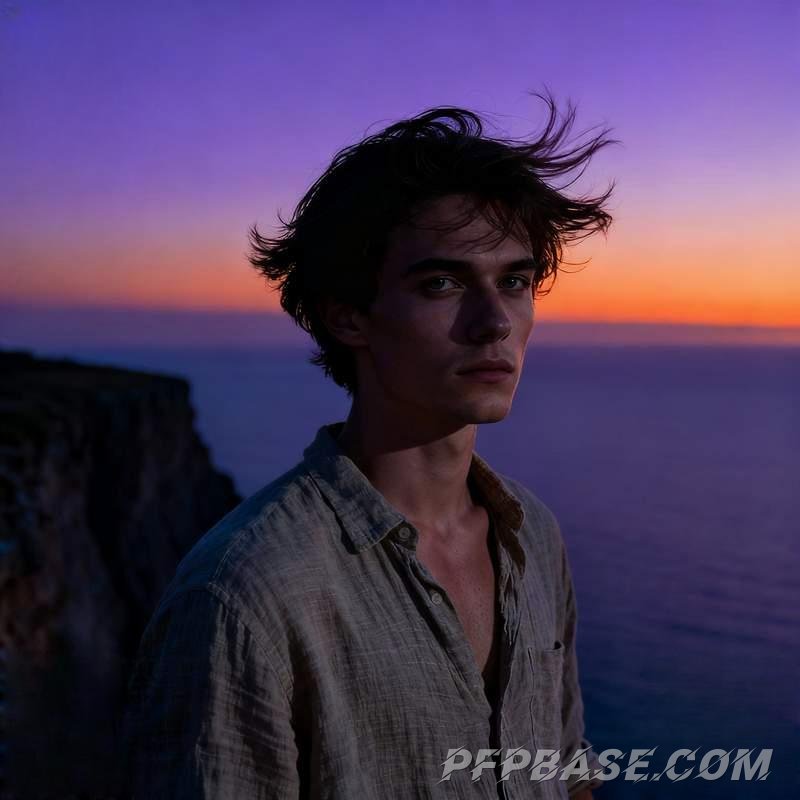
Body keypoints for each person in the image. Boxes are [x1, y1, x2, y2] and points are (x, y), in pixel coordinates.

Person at [122, 90, 616, 799]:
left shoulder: (532, 536)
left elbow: (566, 773)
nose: (494, 323)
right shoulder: (244, 594)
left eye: (515, 280)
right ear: (348, 315)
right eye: (442, 282)